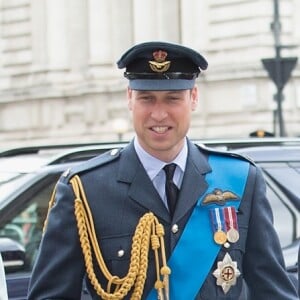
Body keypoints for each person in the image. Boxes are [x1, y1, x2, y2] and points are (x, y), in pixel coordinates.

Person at [28, 41, 299, 299]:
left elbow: (272, 291)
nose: (159, 114)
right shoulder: (85, 192)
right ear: (129, 99)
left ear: (193, 98)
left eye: (172, 98)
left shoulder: (240, 180)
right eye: (147, 98)